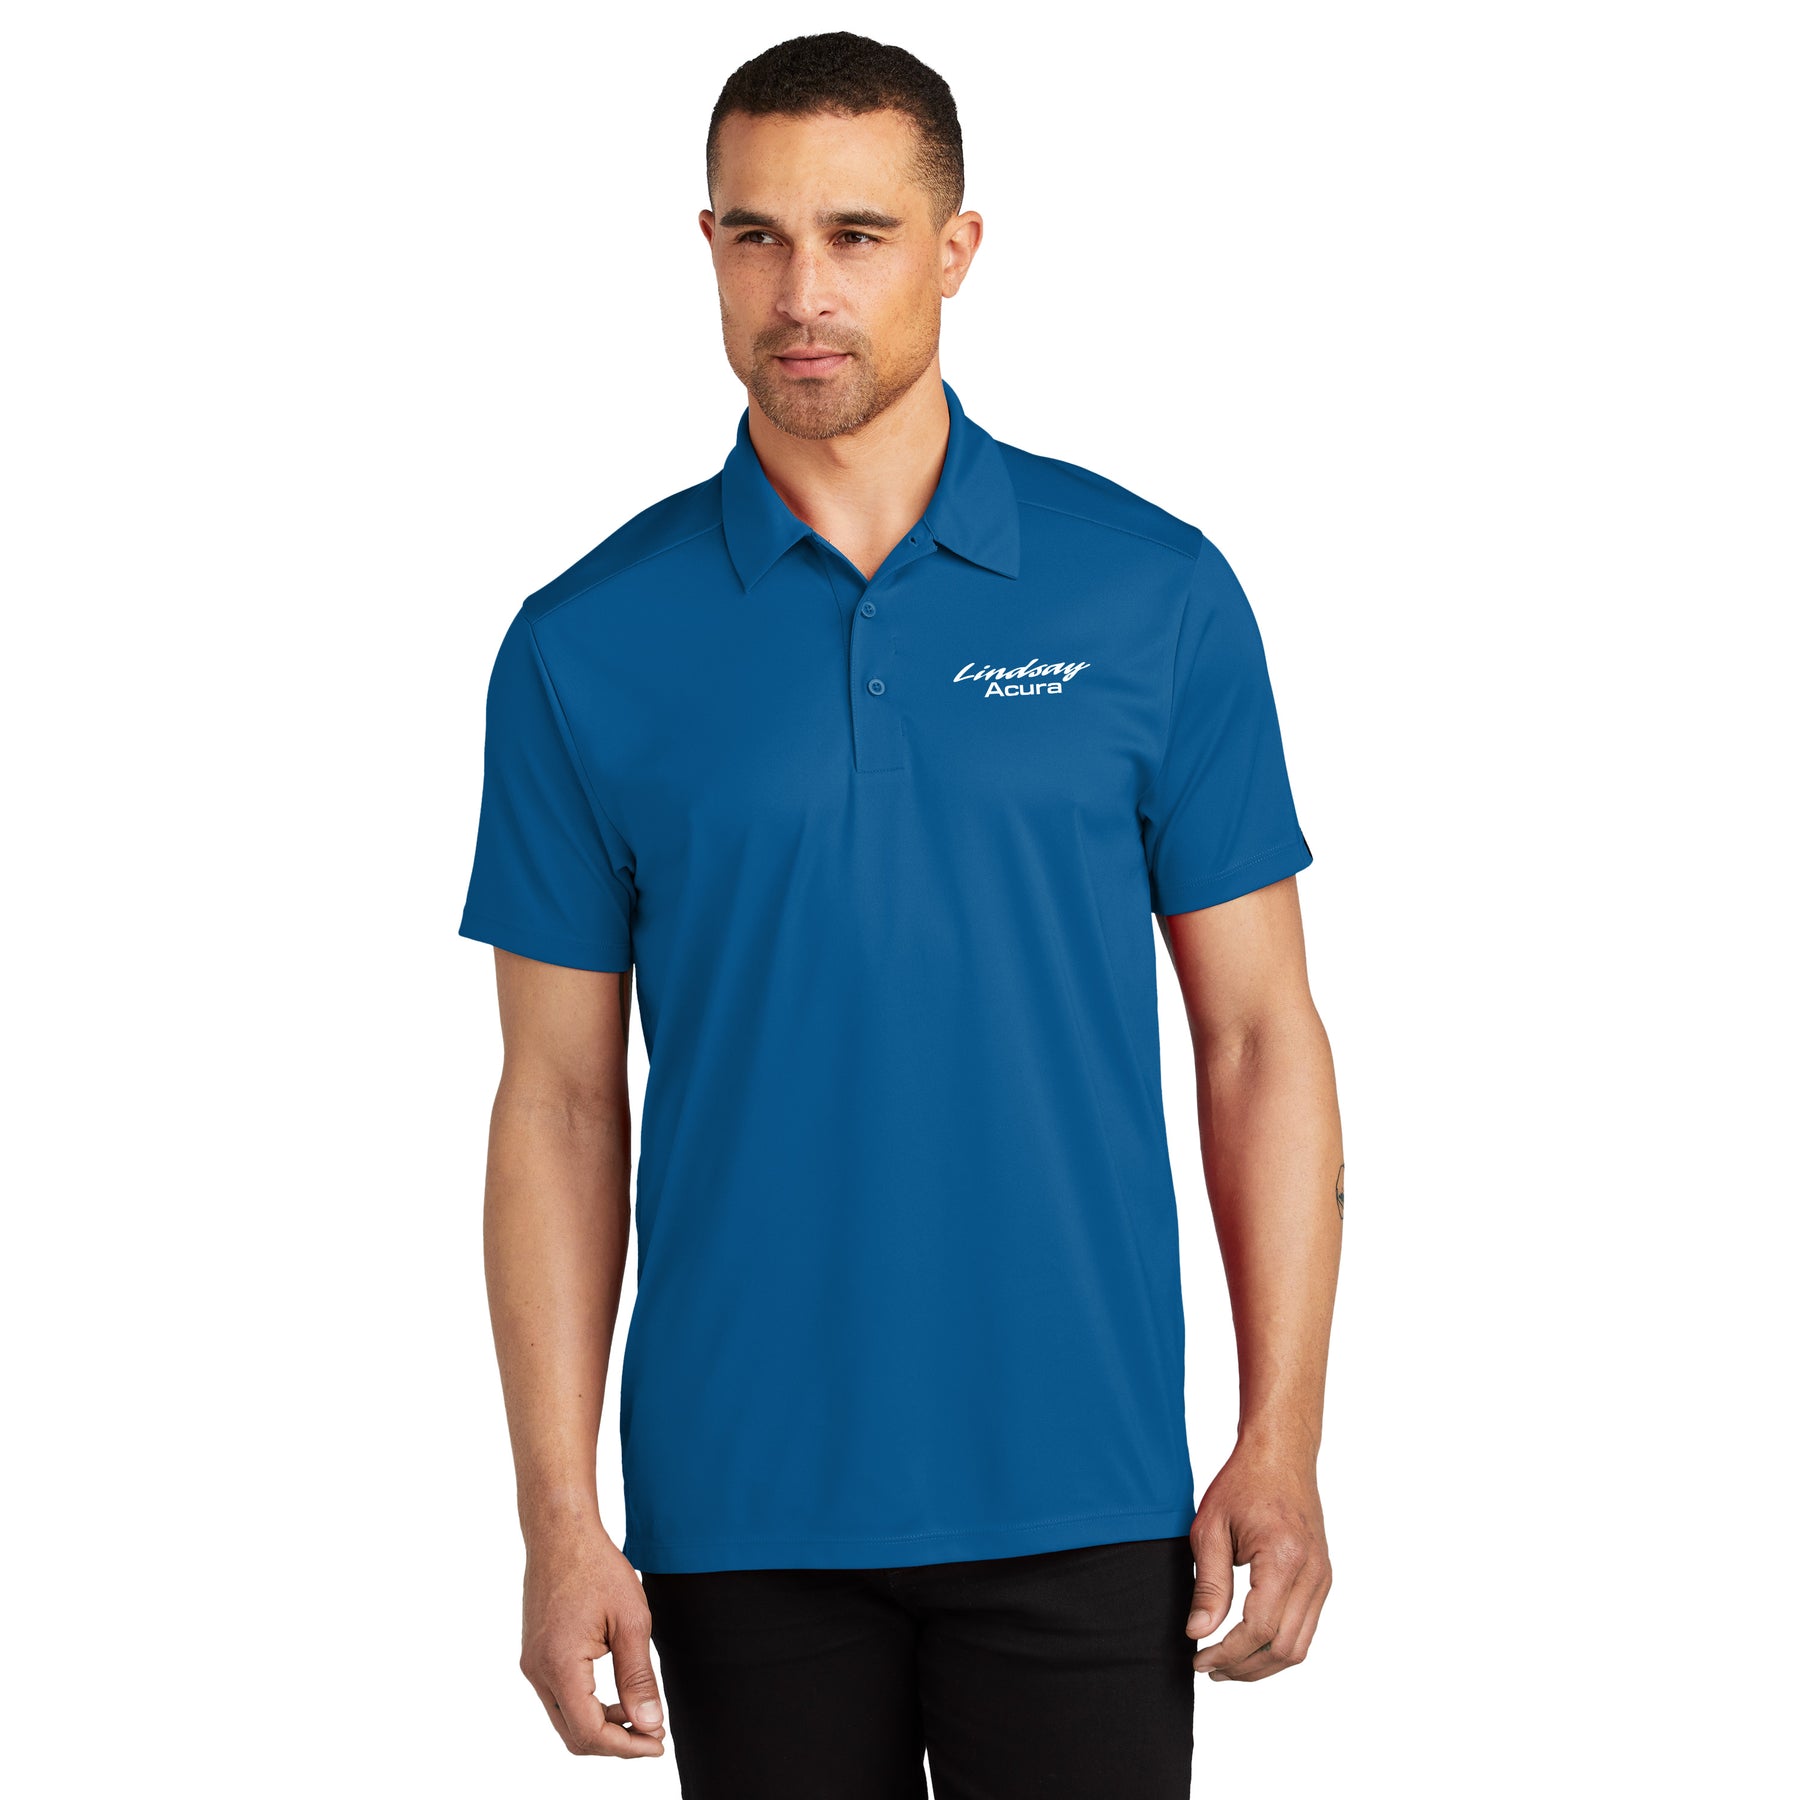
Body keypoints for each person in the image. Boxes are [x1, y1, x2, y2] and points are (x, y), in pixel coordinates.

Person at [459, 29, 1344, 1799]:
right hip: (737, 1508)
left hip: (1086, 1485)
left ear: (955, 249)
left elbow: (1258, 1038)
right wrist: (559, 1518)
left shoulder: (1153, 593)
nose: (804, 292)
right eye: (758, 236)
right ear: (708, 246)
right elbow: (556, 1101)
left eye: (856, 235)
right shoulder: (584, 640)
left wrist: (1283, 1437)